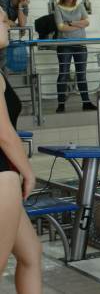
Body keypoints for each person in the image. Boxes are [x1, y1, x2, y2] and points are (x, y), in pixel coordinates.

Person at [0, 18, 42, 293]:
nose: (8, 23)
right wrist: (27, 172)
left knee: (31, 253)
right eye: (2, 19)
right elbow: (4, 134)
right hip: (2, 175)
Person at [53, 0, 97, 113]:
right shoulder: (58, 8)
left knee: (81, 75)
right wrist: (79, 25)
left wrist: (71, 23)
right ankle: (61, 104)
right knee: (63, 74)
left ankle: (86, 102)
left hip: (80, 45)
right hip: (64, 45)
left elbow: (87, 22)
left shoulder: (80, 6)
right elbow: (61, 27)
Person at [0, 0, 30, 70]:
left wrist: (20, 7)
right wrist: (16, 25)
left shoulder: (23, 4)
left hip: (3, 34)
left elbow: (22, 25)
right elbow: (4, 19)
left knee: (3, 61)